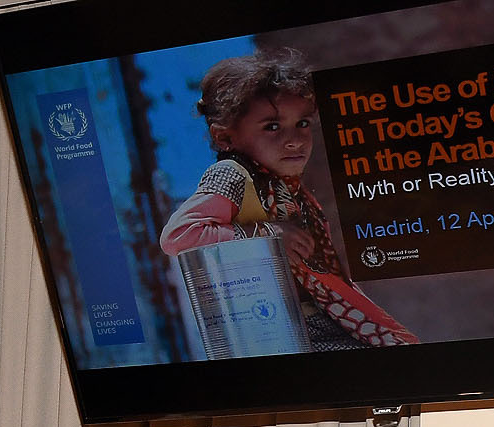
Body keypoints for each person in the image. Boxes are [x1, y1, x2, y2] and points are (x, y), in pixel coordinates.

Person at [160, 50, 418, 351]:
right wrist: (268, 237)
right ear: (225, 138)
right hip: (281, 329)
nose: (295, 140)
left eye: (303, 123)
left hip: (315, 320)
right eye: (272, 127)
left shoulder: (286, 188)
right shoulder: (232, 175)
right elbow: (178, 236)